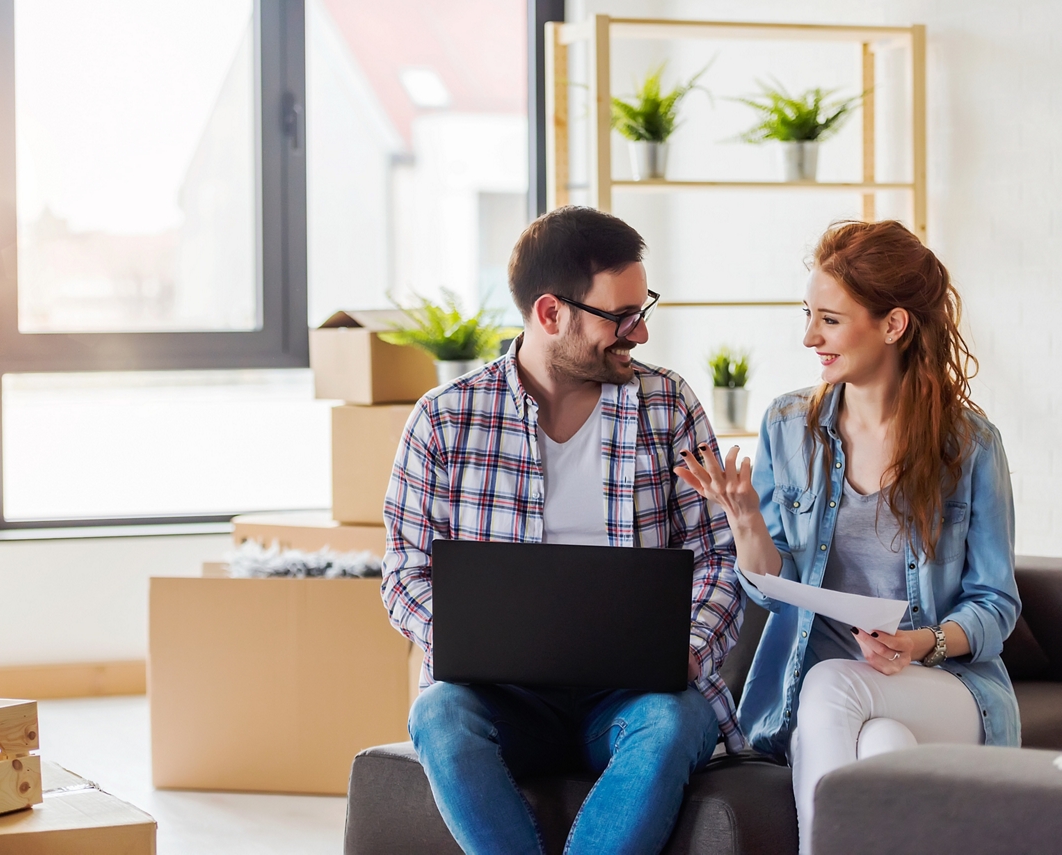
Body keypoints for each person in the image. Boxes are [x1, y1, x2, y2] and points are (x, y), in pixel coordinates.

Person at [380, 205, 744, 855]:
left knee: (674, 718)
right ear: (551, 314)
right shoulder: (444, 419)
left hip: (634, 698)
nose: (640, 333)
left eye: (643, 309)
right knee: (438, 714)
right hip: (504, 697)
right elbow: (404, 570)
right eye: (620, 316)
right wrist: (466, 638)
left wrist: (687, 646)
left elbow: (717, 554)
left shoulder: (670, 405)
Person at [676, 219, 1021, 854]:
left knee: (833, 684)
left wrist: (919, 643)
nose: (809, 337)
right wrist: (746, 519)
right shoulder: (787, 425)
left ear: (893, 325)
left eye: (829, 320)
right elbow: (775, 594)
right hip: (831, 697)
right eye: (808, 315)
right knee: (881, 747)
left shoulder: (969, 445)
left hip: (946, 687)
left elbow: (996, 605)